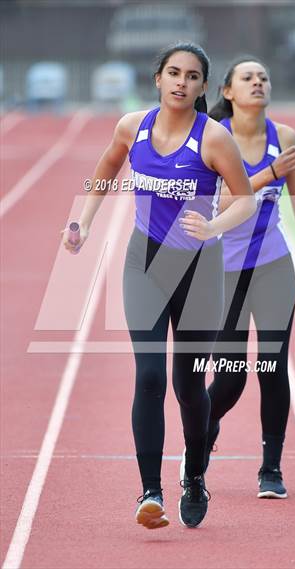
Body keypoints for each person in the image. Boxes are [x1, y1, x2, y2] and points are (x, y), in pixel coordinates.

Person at [62, 44, 256, 529]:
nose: (181, 83)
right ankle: (151, 493)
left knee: (188, 385)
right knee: (149, 377)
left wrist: (213, 228)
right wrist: (82, 223)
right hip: (143, 263)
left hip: (199, 271)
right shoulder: (133, 127)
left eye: (192, 77)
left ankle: (194, 472)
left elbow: (245, 200)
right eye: (173, 73)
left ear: (204, 87)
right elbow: (106, 169)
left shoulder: (213, 139)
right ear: (157, 78)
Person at [204, 57, 295, 499]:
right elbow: (217, 205)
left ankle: (271, 469)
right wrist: (268, 174)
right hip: (222, 271)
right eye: (247, 78)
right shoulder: (212, 138)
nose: (258, 83)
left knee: (273, 369)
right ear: (229, 91)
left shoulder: (285, 138)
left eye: (263, 77)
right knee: (232, 376)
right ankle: (202, 427)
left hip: (273, 266)